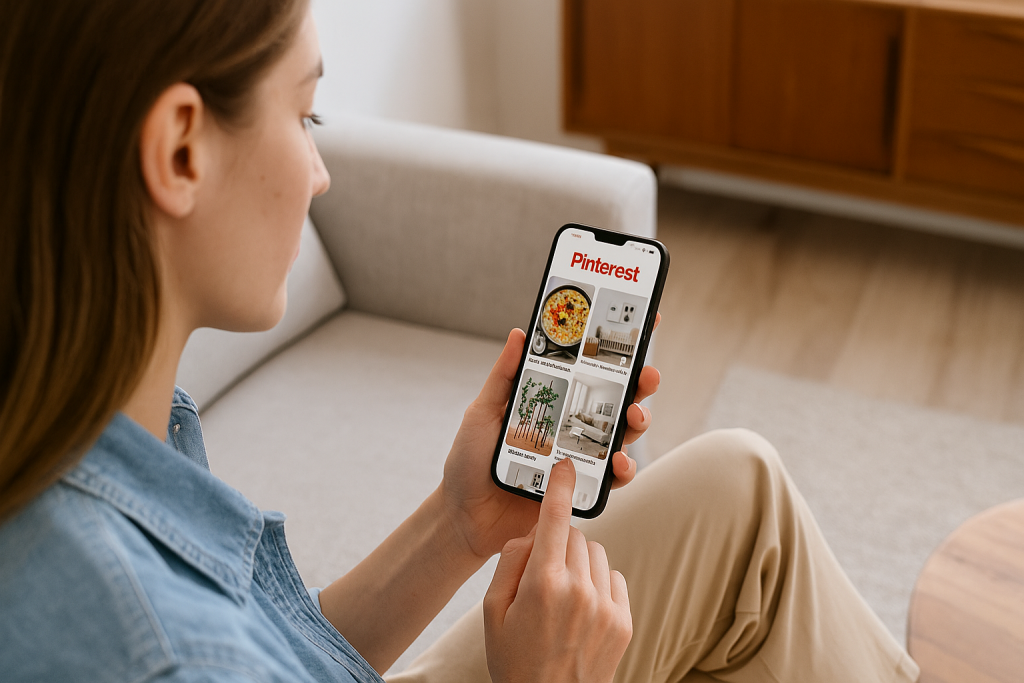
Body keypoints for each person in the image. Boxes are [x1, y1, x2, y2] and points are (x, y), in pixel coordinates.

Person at [0, 1, 919, 681]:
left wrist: (459, 520)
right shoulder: (161, 649)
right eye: (305, 116)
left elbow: (280, 655)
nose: (319, 175)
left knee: (740, 488)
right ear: (181, 151)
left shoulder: (109, 412)